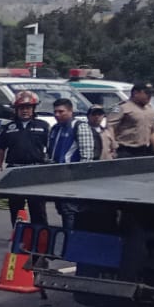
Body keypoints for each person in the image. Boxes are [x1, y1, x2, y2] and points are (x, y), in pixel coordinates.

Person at [0, 89, 50, 227]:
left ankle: (40, 236)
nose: (25, 111)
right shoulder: (9, 127)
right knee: (16, 206)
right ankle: (18, 234)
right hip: (14, 170)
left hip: (35, 169)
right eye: (21, 108)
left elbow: (51, 148)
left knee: (37, 206)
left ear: (33, 109)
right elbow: (1, 149)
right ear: (16, 110)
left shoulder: (43, 126)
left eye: (28, 108)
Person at [47, 97, 96, 228]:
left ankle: (70, 238)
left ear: (70, 111)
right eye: (55, 112)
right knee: (61, 209)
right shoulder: (55, 128)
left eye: (61, 111)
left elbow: (87, 157)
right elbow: (50, 153)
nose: (57, 115)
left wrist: (80, 178)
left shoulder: (80, 127)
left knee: (69, 210)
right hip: (56, 176)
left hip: (72, 177)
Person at [110, 81, 154, 158]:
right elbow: (110, 128)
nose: (150, 96)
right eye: (147, 93)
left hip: (144, 150)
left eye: (151, 93)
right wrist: (112, 147)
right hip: (126, 150)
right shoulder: (122, 108)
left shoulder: (150, 109)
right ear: (135, 93)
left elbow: (152, 132)